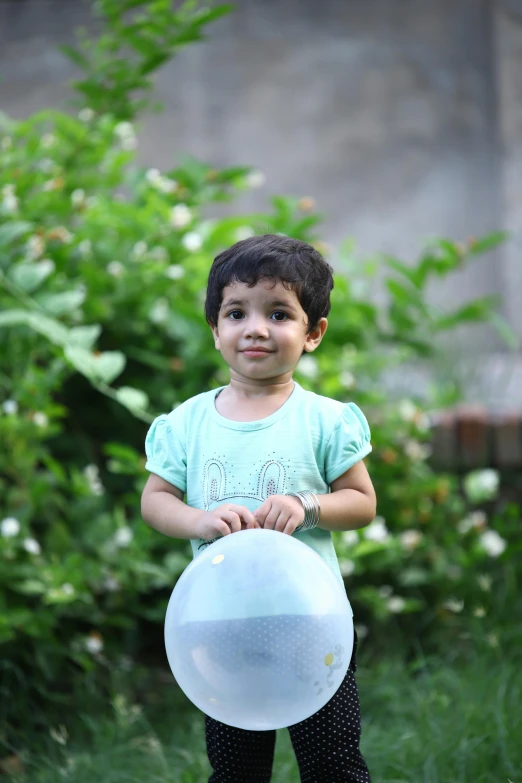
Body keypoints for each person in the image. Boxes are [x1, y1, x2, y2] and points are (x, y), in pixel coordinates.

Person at [141, 233, 376, 782]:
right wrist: (198, 520)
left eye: (278, 313)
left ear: (312, 333)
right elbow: (156, 502)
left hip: (310, 620)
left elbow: (362, 502)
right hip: (219, 624)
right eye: (236, 312)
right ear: (215, 329)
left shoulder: (324, 420)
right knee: (237, 770)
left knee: (334, 764)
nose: (255, 328)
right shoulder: (186, 425)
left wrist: (308, 505)